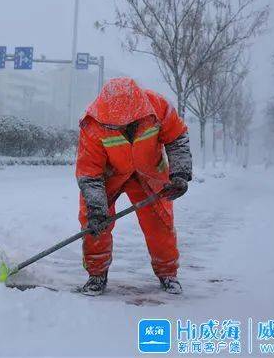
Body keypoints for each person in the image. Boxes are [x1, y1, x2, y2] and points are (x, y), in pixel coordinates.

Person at [75, 77, 192, 295]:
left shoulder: (158, 108)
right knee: (93, 223)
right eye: (116, 124)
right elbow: (89, 173)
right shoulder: (92, 123)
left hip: (148, 173)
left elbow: (177, 138)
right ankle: (97, 274)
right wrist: (97, 210)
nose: (123, 126)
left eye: (128, 123)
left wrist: (180, 174)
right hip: (108, 176)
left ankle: (168, 273)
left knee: (159, 223)